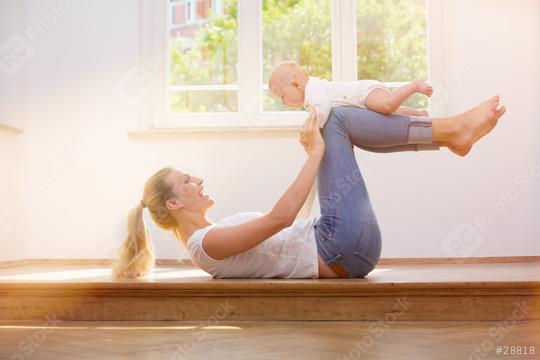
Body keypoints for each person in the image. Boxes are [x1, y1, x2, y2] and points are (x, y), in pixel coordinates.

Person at [112, 97, 506, 279]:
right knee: (330, 118)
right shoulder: (206, 245)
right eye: (187, 181)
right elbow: (281, 217)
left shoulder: (216, 232)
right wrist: (315, 155)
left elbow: (290, 224)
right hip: (340, 247)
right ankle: (450, 131)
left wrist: (311, 155)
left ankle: (449, 135)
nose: (198, 181)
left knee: (332, 118)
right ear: (175, 202)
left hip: (340, 243)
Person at [268, 61, 433, 128]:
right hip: (362, 102)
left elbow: (323, 107)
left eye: (282, 96)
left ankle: (414, 85)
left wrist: (313, 128)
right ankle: (420, 114)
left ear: (295, 84)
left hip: (363, 92)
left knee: (387, 104)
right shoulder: (309, 99)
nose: (283, 102)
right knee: (391, 112)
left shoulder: (312, 87)